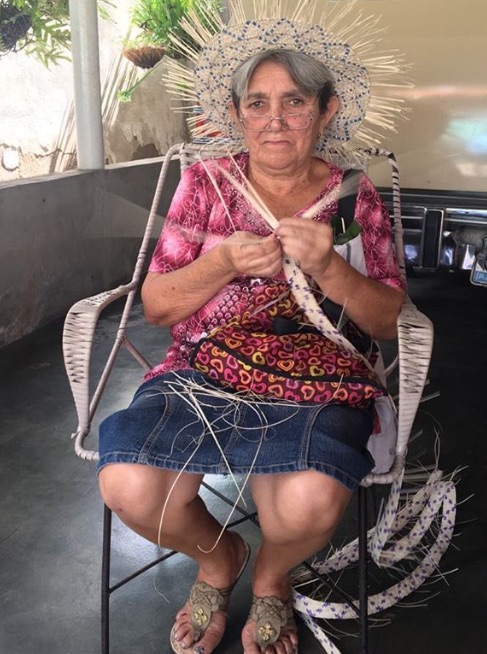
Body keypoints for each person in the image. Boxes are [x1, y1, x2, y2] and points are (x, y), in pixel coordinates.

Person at [97, 8, 407, 654]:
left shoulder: (351, 198)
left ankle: (270, 574)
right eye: (258, 103)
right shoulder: (205, 184)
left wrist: (329, 266)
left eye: (294, 102)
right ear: (237, 114)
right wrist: (222, 263)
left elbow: (384, 319)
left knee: (306, 503)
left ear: (325, 110)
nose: (275, 119)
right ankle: (220, 559)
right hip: (205, 370)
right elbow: (156, 306)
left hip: (321, 377)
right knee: (127, 485)